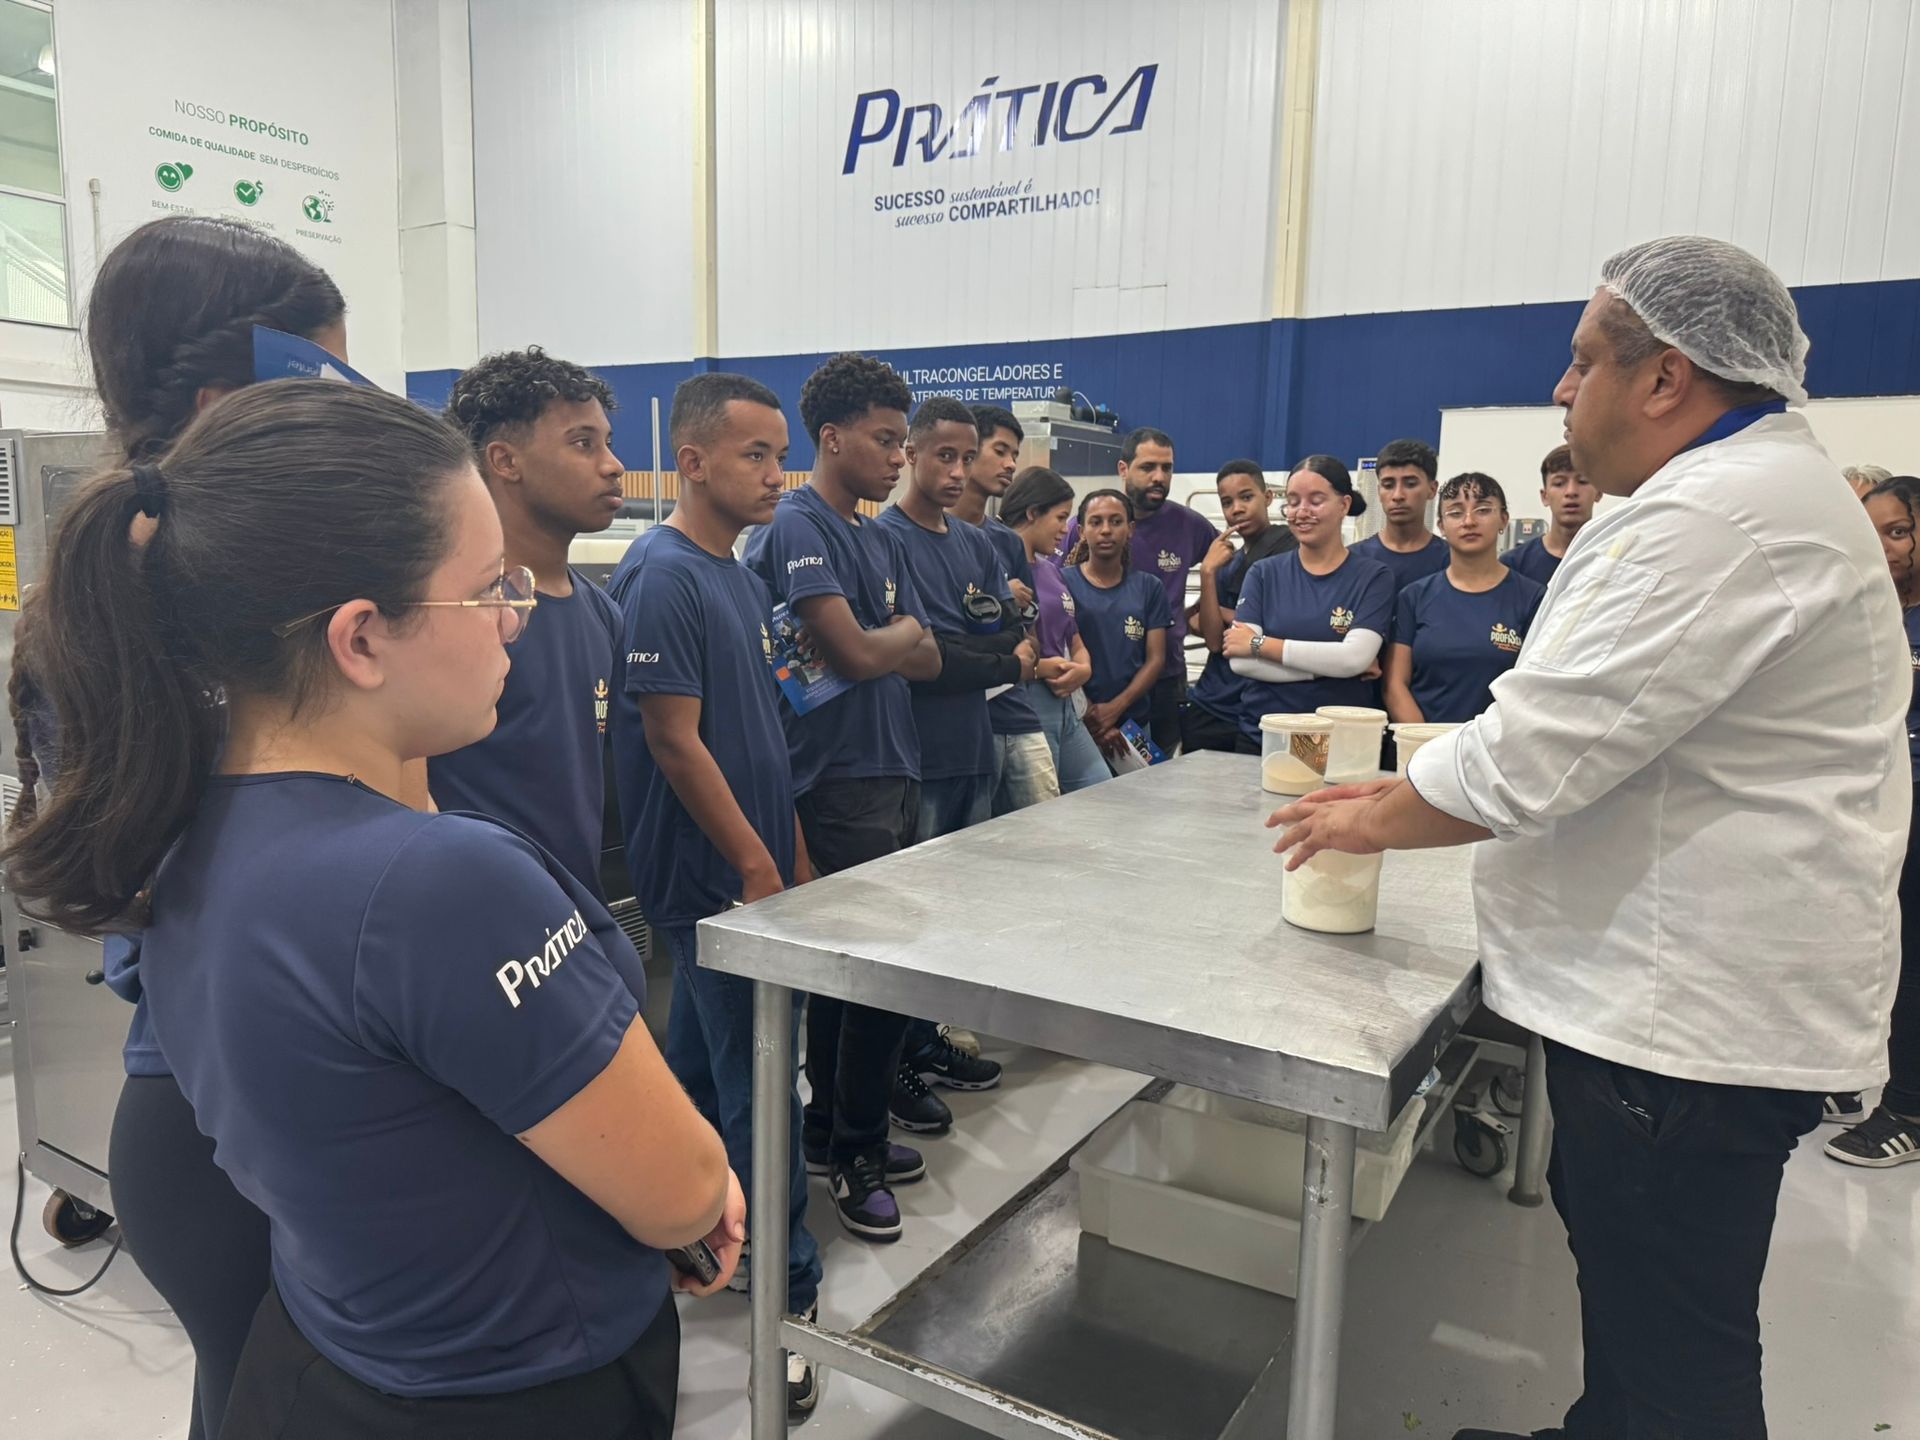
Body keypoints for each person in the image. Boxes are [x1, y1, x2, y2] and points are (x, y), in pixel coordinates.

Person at [6, 381, 745, 1438]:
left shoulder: (180, 833)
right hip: (517, 1383)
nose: (515, 620)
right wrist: (704, 1192)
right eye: (490, 588)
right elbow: (678, 1191)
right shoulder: (440, 886)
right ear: (359, 639)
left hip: (333, 1354)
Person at [1268, 236, 1905, 1440]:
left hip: (1687, 1021)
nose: (1562, 393)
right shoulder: (1736, 494)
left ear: (1665, 378)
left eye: (1580, 363)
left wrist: (1368, 815)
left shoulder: (1715, 519)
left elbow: (1530, 758)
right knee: (1641, 1301)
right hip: (1688, 1001)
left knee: (1680, 1353)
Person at [3, 215, 345, 1440]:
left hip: (219, 1115)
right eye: (321, 385)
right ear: (224, 398)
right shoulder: (191, 614)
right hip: (226, 1128)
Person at [605, 373, 829, 1416]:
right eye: (753, 455)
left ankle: (693, 1230)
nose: (774, 473)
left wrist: (790, 852)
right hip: (706, 885)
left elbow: (762, 745)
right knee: (758, 1084)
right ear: (691, 461)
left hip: (752, 872)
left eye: (777, 454)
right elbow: (674, 740)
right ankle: (785, 1291)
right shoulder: (662, 575)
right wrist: (749, 867)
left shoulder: (738, 577)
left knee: (695, 1069)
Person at [744, 352, 941, 1242]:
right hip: (839, 782)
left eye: (903, 441)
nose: (898, 457)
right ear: (832, 438)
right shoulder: (797, 527)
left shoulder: (868, 535)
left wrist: (889, 637)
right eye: (885, 439)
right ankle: (857, 1153)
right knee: (871, 977)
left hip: (891, 765)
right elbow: (861, 655)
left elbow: (922, 656)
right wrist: (894, 635)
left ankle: (830, 1127)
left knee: (859, 982)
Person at [434, 348, 625, 894]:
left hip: (571, 918)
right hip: (475, 916)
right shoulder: (455, 614)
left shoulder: (602, 614)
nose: (613, 464)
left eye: (607, 442)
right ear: (505, 461)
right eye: (583, 444)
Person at [874, 397, 1014, 1124]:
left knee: (958, 914)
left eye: (970, 457)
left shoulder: (979, 547)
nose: (959, 472)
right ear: (911, 455)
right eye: (945, 456)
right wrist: (974, 654)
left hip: (973, 748)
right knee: (910, 920)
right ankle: (892, 1062)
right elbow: (915, 663)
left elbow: (1012, 644)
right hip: (915, 757)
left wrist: (965, 654)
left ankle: (927, 1040)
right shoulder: (885, 542)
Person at [1825, 473, 1920, 1166]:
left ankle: (1910, 1108)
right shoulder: (1868, 613)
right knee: (1869, 948)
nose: (1884, 547)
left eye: (1898, 531)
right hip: (1874, 807)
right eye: (1874, 530)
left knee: (1912, 960)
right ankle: (1851, 1077)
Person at [1061, 427, 1217, 753]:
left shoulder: (1190, 525)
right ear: (1124, 469)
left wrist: (1192, 615)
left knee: (1154, 780)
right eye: (1148, 467)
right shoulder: (1078, 528)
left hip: (1161, 678)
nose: (1159, 477)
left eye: (1167, 468)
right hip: (1091, 683)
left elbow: (1228, 568)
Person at [1222, 457, 1394, 748]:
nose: (1302, 512)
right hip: (1265, 738)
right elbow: (1241, 661)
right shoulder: (1264, 573)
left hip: (1342, 743)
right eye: (1293, 501)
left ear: (1344, 505)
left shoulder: (1373, 577)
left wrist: (1260, 644)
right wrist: (1330, 670)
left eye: (1316, 501)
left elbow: (1354, 658)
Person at [950, 403, 1061, 815]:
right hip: (959, 720)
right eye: (1000, 451)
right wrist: (998, 603)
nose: (1011, 464)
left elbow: (1028, 636)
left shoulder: (1008, 543)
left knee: (1046, 827)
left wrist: (1007, 626)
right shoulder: (915, 535)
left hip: (1016, 712)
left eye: (1015, 454)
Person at [1383, 473, 1546, 724]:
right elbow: (1395, 686)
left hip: (1498, 750)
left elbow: (1534, 690)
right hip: (1423, 748)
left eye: (1482, 510)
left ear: (1503, 519)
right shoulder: (1414, 597)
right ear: (1441, 525)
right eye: (1456, 512)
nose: (1469, 521)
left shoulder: (1532, 598)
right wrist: (1428, 744)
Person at [1000, 467, 1112, 793]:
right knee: (1043, 809)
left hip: (1066, 705)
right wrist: (1036, 669)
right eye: (1061, 518)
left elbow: (1072, 636)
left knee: (1100, 791)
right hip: (1026, 701)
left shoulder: (1051, 571)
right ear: (1033, 513)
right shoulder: (998, 567)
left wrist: (1084, 666)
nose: (1066, 530)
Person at [1181, 460, 1298, 753]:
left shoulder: (1288, 548)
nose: (1237, 508)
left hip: (1260, 703)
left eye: (1247, 497)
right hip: (1212, 700)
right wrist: (1207, 573)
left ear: (1268, 497)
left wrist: (1220, 613)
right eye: (1227, 502)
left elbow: (1276, 625)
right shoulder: (1224, 560)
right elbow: (1212, 639)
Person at [1064, 490, 1171, 757]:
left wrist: (1115, 709)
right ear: (1081, 531)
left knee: (1138, 798)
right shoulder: (1061, 583)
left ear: (1131, 529)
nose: (1105, 530)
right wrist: (1091, 713)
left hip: (1134, 724)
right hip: (1078, 723)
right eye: (1096, 522)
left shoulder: (1149, 587)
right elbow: (1059, 654)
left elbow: (1155, 659)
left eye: (1115, 521)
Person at [1351, 438, 1449, 592]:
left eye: (1410, 484)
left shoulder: (1452, 561)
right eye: (1388, 485)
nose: (1397, 495)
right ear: (1378, 491)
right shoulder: (1353, 560)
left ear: (1432, 489)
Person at [1501, 443, 1601, 586]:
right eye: (1559, 483)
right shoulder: (1513, 565)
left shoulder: (1612, 557)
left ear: (1599, 492)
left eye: (1582, 481)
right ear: (1545, 496)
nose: (1571, 491)